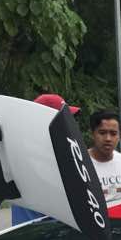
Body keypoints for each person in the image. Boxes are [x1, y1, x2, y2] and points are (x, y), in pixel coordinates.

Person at [11, 94, 81, 226]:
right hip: (38, 237)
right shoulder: (38, 161)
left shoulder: (29, 153)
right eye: (65, 119)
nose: (71, 125)